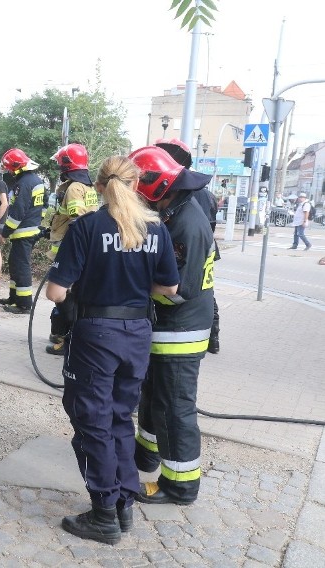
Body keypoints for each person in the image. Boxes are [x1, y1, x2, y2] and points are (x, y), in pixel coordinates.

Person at [46, 155, 179, 545]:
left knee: (92, 422)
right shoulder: (156, 229)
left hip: (96, 335)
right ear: (137, 184)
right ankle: (123, 506)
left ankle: (103, 514)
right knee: (121, 419)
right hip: (137, 332)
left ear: (99, 187)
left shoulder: (87, 226)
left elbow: (55, 291)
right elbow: (169, 288)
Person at [129, 145, 216, 506]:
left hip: (180, 330)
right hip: (167, 327)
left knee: (175, 407)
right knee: (154, 398)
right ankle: (146, 455)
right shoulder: (174, 209)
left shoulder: (186, 223)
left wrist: (129, 284)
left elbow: (179, 289)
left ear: (155, 185)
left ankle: (179, 484)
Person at [155, 138, 221, 354]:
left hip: (180, 321)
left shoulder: (187, 212)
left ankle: (212, 335)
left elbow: (182, 287)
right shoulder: (202, 195)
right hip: (193, 296)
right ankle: (213, 337)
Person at [46, 143, 99, 354]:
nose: (59, 168)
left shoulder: (74, 188)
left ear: (67, 165)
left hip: (69, 248)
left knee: (62, 295)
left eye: (61, 164)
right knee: (71, 294)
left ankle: (71, 340)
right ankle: (66, 334)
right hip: (77, 246)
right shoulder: (87, 186)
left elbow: (78, 218)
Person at [0, 148, 44, 314]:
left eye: (10, 168)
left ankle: (24, 304)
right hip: (29, 231)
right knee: (15, 264)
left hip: (23, 233)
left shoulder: (23, 184)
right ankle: (14, 297)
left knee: (21, 267)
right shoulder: (36, 180)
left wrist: (5, 233)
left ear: (17, 167)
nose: (9, 171)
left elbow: (18, 213)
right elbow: (43, 208)